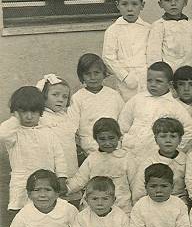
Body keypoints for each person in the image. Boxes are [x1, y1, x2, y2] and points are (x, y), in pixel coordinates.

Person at [0, 86, 67, 214]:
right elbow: (2, 134)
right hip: (22, 182)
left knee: (46, 212)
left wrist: (61, 177)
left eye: (34, 112)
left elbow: (59, 156)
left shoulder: (48, 132)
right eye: (23, 112)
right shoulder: (14, 133)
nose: (29, 116)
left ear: (40, 112)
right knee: (22, 214)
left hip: (46, 182)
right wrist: (15, 118)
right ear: (16, 112)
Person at [117, 62, 192, 154]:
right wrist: (125, 142)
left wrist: (171, 151)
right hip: (131, 151)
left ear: (170, 84)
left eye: (158, 81)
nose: (153, 84)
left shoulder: (175, 107)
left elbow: (190, 131)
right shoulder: (136, 100)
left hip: (156, 155)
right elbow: (122, 125)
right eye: (149, 80)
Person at [66, 118, 134, 214]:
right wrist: (65, 189)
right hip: (94, 207)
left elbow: (135, 185)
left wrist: (137, 205)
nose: (107, 143)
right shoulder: (92, 159)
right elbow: (79, 180)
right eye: (102, 139)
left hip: (121, 207)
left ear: (119, 137)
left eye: (111, 138)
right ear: (96, 139)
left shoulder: (126, 158)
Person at [68, 53, 124, 156]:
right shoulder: (78, 98)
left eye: (96, 73)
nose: (93, 77)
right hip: (89, 148)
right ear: (81, 76)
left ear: (104, 73)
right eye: (88, 74)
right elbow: (71, 126)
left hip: (114, 146)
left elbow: (123, 121)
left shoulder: (114, 95)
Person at [102, 0, 150, 100]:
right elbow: (108, 57)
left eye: (134, 4)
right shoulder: (113, 30)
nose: (130, 9)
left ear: (142, 5)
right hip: (125, 81)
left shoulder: (148, 29)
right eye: (124, 4)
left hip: (146, 78)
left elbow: (153, 54)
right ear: (117, 5)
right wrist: (125, 76)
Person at [36, 74, 78, 205]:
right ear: (43, 96)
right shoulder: (41, 118)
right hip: (52, 166)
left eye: (65, 97)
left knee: (68, 201)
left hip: (69, 163)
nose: (60, 99)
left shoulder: (66, 117)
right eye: (55, 95)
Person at [130, 117, 189, 204]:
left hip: (180, 202)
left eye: (173, 136)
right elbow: (139, 193)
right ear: (156, 139)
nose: (168, 140)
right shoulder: (149, 163)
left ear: (180, 139)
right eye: (163, 136)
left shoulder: (187, 160)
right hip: (154, 202)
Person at [146, 0, 192, 71]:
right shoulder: (158, 26)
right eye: (168, 0)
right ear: (160, 4)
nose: (173, 3)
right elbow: (153, 55)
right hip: (170, 74)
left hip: (191, 74)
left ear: (185, 2)